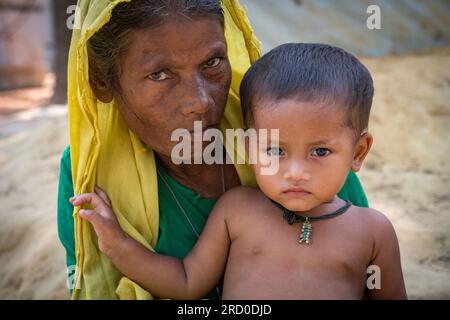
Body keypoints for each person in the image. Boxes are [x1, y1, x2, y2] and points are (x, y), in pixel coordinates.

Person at [58, 0, 369, 299]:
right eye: (159, 74)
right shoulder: (90, 172)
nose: (200, 101)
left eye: (212, 63)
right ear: (102, 81)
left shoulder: (298, 137)